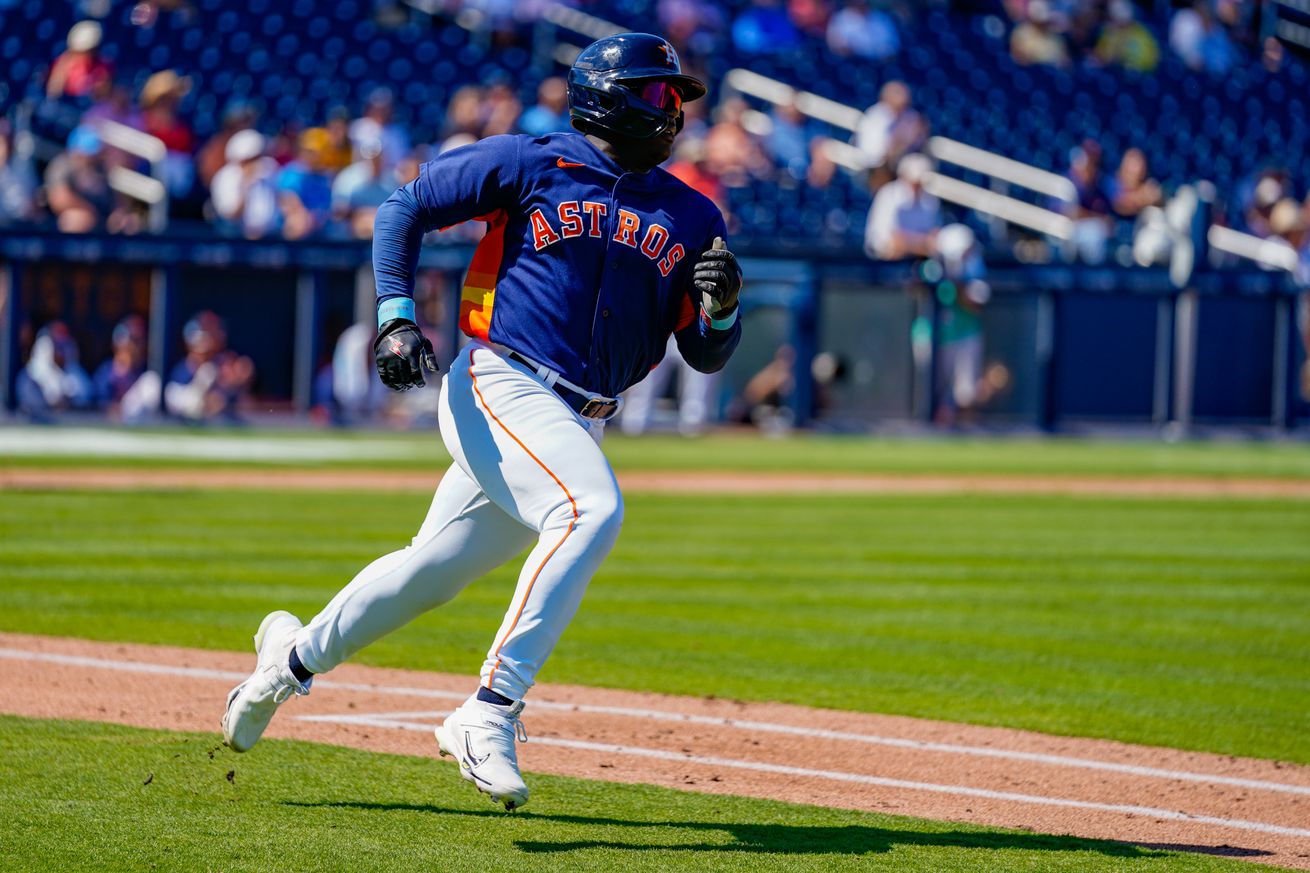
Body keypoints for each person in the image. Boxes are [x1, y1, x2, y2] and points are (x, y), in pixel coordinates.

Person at [220, 32, 743, 812]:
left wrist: (724, 310)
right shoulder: (533, 160)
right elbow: (406, 207)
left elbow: (703, 354)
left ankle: (283, 664)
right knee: (588, 507)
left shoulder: (692, 213)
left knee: (426, 573)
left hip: (581, 418)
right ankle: (489, 709)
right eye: (656, 92)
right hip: (502, 379)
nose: (670, 110)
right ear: (606, 96)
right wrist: (396, 313)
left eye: (675, 98)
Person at [164, 311, 255, 422]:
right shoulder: (183, 370)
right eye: (204, 336)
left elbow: (240, 399)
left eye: (212, 334)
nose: (208, 342)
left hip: (221, 420)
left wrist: (239, 381)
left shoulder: (224, 362)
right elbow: (177, 403)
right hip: (188, 421)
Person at [865, 153, 940, 261]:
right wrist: (921, 244)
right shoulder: (889, 195)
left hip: (917, 262)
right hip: (883, 262)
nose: (918, 186)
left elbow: (934, 240)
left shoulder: (930, 201)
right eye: (914, 182)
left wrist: (911, 244)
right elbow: (892, 243)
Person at [17, 321, 95, 420]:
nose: (61, 351)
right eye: (57, 346)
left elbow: (88, 401)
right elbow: (34, 407)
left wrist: (68, 401)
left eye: (64, 345)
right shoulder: (29, 377)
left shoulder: (74, 372)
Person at [852, 80, 927, 182]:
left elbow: (919, 136)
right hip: (874, 171)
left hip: (900, 169)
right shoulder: (875, 117)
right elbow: (872, 155)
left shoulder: (910, 116)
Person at [209, 129, 279, 237]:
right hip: (236, 240)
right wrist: (246, 185)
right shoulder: (225, 178)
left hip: (269, 238)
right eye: (254, 158)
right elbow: (231, 216)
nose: (259, 161)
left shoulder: (269, 170)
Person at [1094, 0, 1159, 73]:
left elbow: (1151, 60)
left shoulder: (1140, 33)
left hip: (1136, 74)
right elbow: (1100, 56)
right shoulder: (1108, 33)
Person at [1010, 0, 1070, 68]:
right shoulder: (1021, 33)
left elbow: (1063, 61)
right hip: (1031, 72)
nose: (1041, 24)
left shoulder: (1056, 38)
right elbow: (1018, 58)